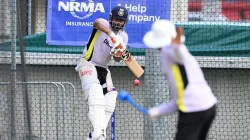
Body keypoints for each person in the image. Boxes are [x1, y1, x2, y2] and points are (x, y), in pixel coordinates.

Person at [143, 20, 217, 140]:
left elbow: (178, 54)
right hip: (208, 107)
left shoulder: (171, 51)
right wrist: (159, 111)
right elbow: (182, 99)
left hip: (194, 112)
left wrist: (176, 46)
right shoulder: (173, 53)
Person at [75, 6, 129, 140]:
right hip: (87, 63)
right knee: (95, 94)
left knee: (110, 98)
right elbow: (97, 23)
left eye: (121, 21)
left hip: (103, 68)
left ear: (125, 22)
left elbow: (117, 59)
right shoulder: (103, 24)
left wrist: (118, 52)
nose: (118, 23)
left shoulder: (124, 37)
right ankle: (98, 134)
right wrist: (112, 36)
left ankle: (96, 135)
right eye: (116, 19)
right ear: (111, 18)